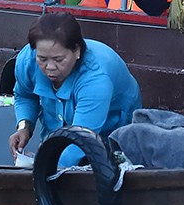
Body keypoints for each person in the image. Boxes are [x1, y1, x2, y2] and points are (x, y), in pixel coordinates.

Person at [8, 12, 141, 166]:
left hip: (110, 127)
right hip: (59, 125)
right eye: (42, 59)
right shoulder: (27, 60)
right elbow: (24, 95)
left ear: (77, 51)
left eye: (59, 60)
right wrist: (25, 126)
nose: (50, 67)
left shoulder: (96, 78)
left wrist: (43, 170)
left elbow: (80, 140)